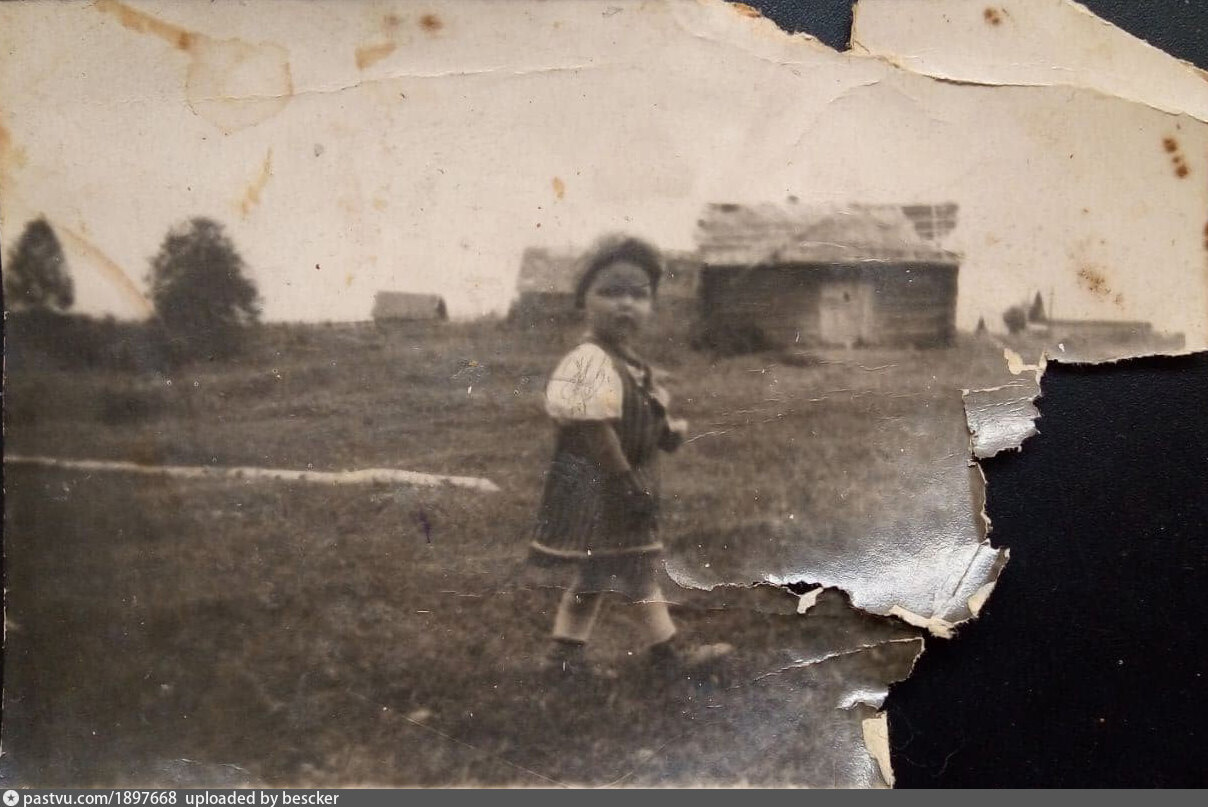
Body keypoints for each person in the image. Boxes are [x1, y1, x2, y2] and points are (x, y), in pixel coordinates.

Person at [527, 235, 732, 678]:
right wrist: (624, 481)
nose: (625, 304)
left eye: (638, 295)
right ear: (583, 301)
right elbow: (594, 428)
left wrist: (665, 433)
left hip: (625, 484)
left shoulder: (632, 364)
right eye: (610, 292)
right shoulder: (588, 362)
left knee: (602, 573)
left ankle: (564, 657)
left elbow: (638, 414)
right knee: (630, 572)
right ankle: (666, 653)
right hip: (604, 487)